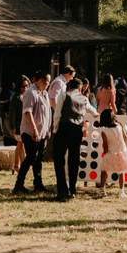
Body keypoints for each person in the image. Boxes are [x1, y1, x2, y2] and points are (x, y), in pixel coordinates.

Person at [52, 67, 88, 199]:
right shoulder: (83, 98)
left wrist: (55, 129)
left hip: (64, 128)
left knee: (59, 159)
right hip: (77, 130)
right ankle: (72, 190)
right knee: (74, 160)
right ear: (79, 88)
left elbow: (57, 114)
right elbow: (92, 110)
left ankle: (62, 189)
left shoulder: (63, 95)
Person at [14, 70, 50, 194]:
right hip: (30, 132)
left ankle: (38, 184)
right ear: (40, 80)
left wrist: (48, 129)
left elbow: (47, 113)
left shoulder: (44, 93)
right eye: (46, 82)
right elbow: (28, 112)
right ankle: (19, 184)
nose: (48, 84)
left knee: (39, 158)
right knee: (31, 157)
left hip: (42, 132)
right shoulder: (30, 92)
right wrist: (34, 129)